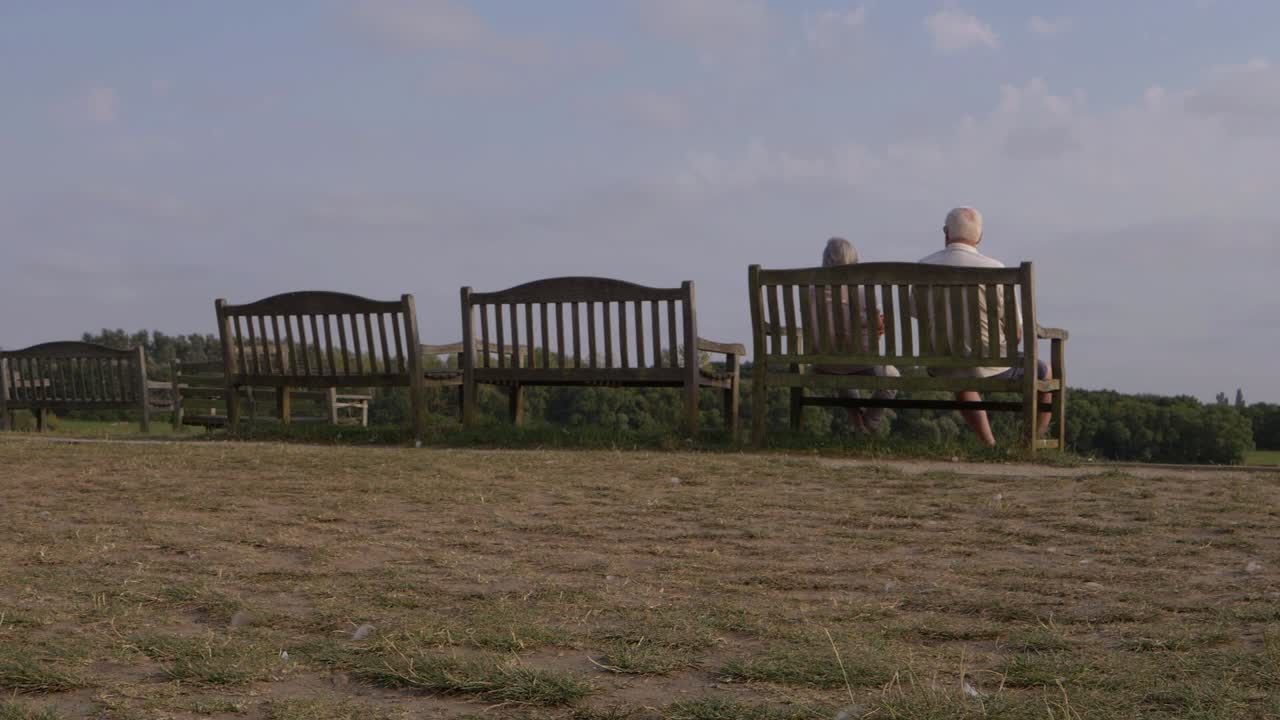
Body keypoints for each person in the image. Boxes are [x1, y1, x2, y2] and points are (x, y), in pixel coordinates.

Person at [916, 207, 1052, 446]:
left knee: (960, 373)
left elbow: (918, 316)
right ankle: (1029, 443)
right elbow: (1016, 333)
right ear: (979, 237)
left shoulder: (922, 267)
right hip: (989, 362)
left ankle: (989, 444)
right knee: (1045, 371)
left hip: (942, 362)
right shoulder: (993, 269)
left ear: (946, 233)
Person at [811, 238, 900, 434]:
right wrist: (878, 326)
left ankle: (858, 426)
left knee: (839, 370)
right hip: (859, 361)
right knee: (892, 377)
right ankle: (869, 423)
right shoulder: (861, 291)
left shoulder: (811, 290)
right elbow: (877, 327)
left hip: (822, 362)